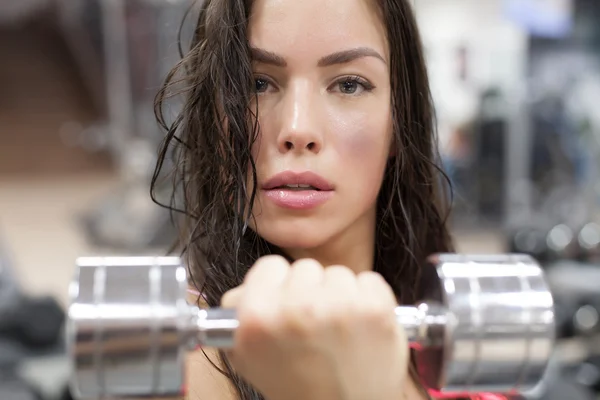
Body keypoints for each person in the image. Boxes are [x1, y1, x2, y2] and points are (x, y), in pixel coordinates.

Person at [152, 0, 453, 399]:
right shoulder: (185, 364)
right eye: (257, 83)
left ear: (399, 119)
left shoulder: (446, 327)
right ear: (214, 118)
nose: (297, 128)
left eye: (348, 84)